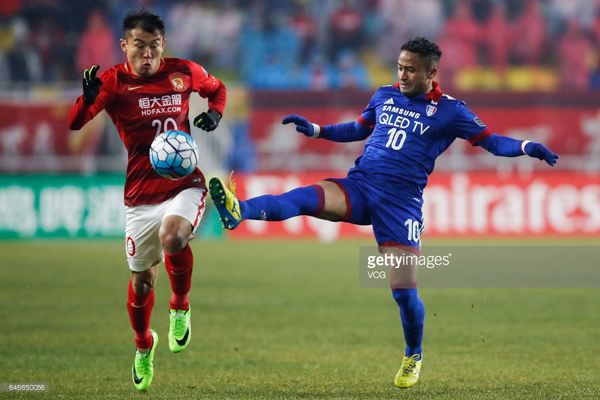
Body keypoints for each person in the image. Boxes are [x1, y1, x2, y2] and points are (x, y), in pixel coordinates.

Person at [208, 37, 557, 388]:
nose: (402, 75)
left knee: (403, 293)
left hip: (400, 204)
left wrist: (527, 147)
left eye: (411, 69)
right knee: (302, 198)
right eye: (400, 67)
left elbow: (492, 141)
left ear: (432, 72)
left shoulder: (452, 110)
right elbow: (359, 129)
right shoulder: (384, 95)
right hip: (361, 185)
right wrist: (316, 130)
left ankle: (413, 355)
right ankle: (239, 211)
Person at [68, 8, 226, 391]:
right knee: (141, 282)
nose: (147, 54)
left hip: (185, 183)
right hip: (140, 195)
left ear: (163, 46)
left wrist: (216, 114)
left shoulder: (184, 72)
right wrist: (86, 100)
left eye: (154, 46)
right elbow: (75, 123)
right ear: (124, 46)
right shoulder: (112, 82)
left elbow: (217, 89)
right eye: (139, 46)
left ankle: (180, 306)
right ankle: (143, 345)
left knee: (175, 236)